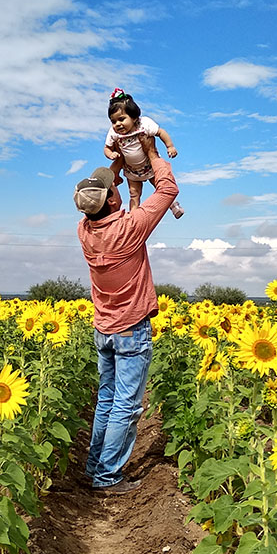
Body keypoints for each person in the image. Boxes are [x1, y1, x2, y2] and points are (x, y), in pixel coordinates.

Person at [74, 132, 179, 495]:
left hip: (103, 327)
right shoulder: (129, 228)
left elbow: (103, 189)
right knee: (127, 406)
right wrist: (150, 153)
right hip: (131, 329)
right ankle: (107, 476)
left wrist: (119, 162)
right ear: (113, 200)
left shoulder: (85, 229)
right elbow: (167, 191)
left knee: (106, 398)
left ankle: (93, 467)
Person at [104, 88, 184, 218]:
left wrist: (170, 146)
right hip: (131, 170)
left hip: (149, 165)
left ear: (134, 117)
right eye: (113, 121)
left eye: (122, 119)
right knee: (134, 194)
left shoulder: (144, 124)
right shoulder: (114, 133)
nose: (117, 124)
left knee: (161, 185)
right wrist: (110, 154)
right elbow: (107, 148)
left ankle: (173, 205)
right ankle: (133, 216)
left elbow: (160, 132)